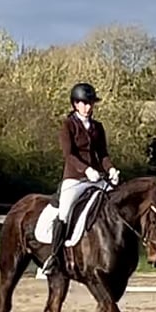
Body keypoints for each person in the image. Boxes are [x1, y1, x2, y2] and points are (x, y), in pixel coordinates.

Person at [41, 82, 120, 275]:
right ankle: (54, 257)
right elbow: (69, 155)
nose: (88, 107)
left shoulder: (98, 127)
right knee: (65, 212)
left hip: (98, 178)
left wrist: (111, 169)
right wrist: (86, 170)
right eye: (84, 103)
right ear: (75, 104)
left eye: (91, 103)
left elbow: (103, 154)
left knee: (117, 204)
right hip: (75, 178)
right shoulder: (68, 126)